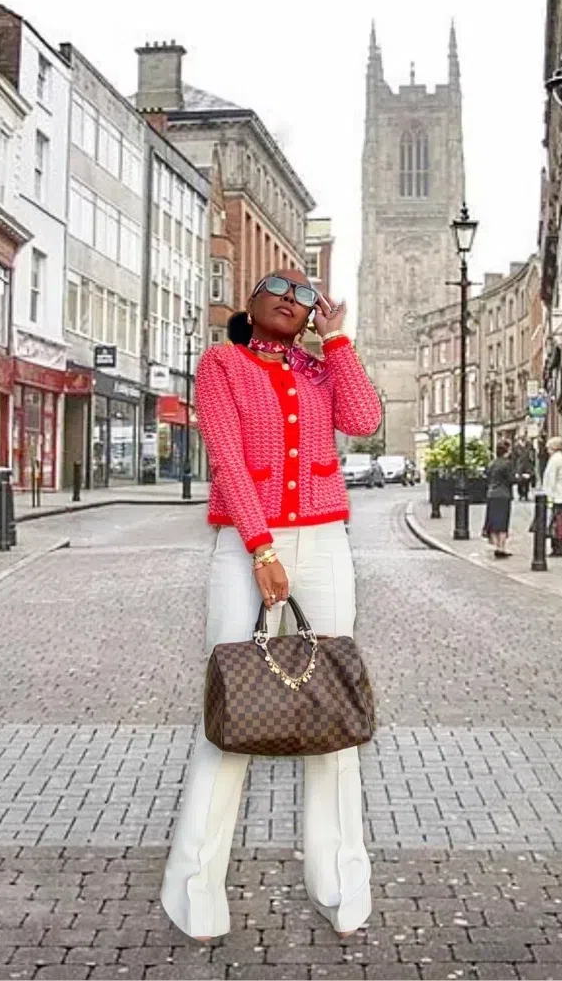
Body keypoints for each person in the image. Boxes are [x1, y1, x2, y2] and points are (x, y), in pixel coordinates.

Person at [161, 270, 382, 942]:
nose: (293, 297)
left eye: (306, 295)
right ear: (251, 303)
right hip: (245, 544)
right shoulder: (221, 363)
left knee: (333, 711)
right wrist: (261, 549)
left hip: (325, 542)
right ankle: (193, 889)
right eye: (279, 286)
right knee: (231, 710)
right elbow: (227, 458)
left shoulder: (320, 369)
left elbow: (364, 420)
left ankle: (340, 880)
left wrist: (337, 339)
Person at [483, 440, 514, 558]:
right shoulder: (507, 464)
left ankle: (496, 546)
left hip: (491, 495)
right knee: (502, 522)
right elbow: (511, 479)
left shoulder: (492, 464)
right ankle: (501, 547)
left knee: (493, 522)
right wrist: (523, 478)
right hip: (503, 495)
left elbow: (487, 476)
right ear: (507, 451)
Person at [543, 436, 562, 556]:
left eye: (548, 448)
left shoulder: (554, 460)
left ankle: (558, 547)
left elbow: (551, 479)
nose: (547, 451)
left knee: (556, 524)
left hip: (556, 495)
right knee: (561, 522)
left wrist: (548, 497)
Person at [514, 436, 535, 502]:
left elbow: (532, 455)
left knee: (527, 480)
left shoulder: (529, 445)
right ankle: (520, 494)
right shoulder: (516, 446)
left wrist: (532, 465)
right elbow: (514, 457)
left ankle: (526, 494)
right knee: (520, 481)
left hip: (527, 465)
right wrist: (514, 468)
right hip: (519, 465)